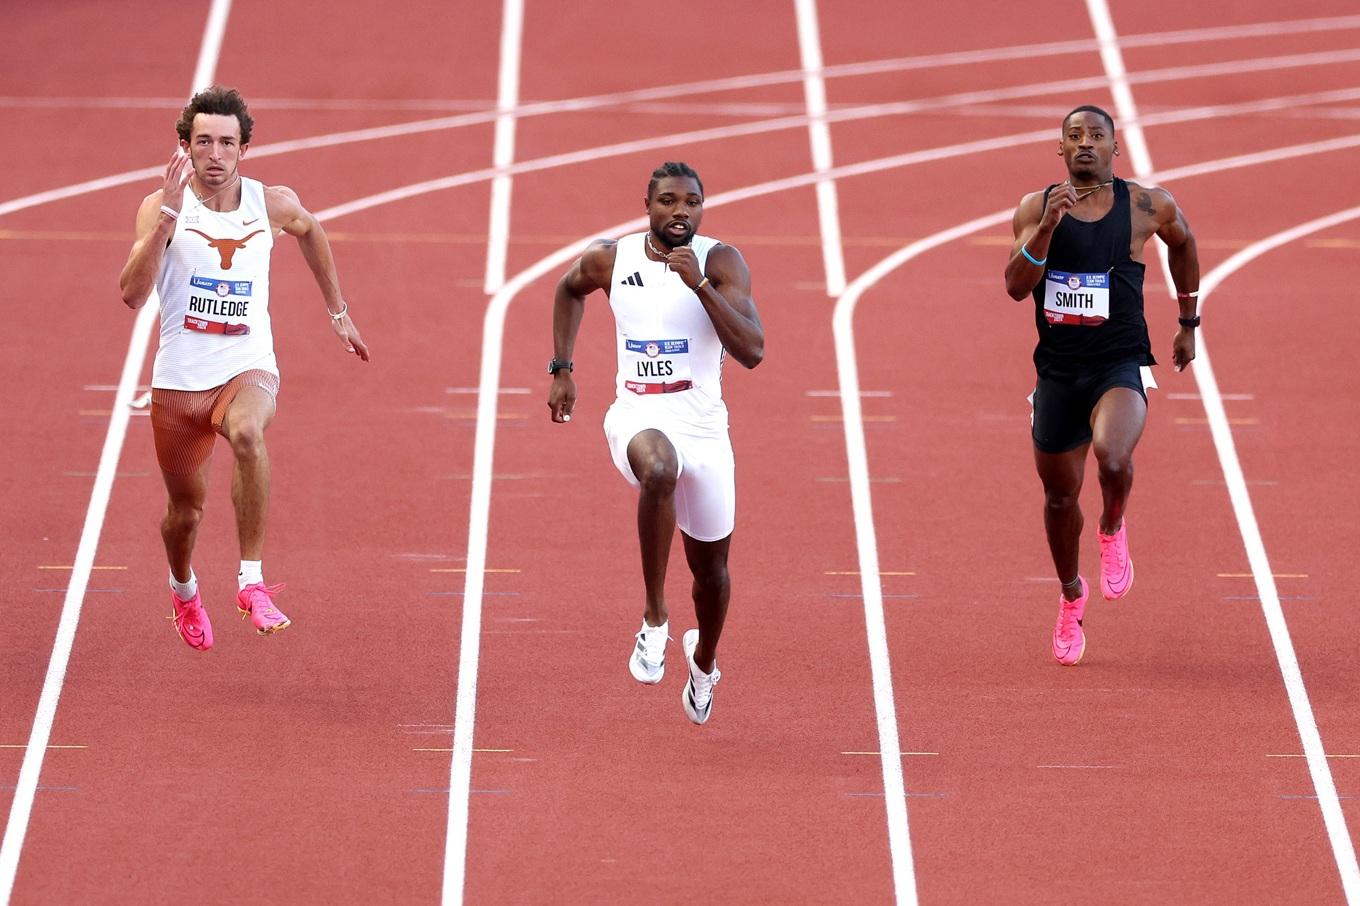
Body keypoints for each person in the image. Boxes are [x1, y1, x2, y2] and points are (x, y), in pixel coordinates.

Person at [118, 86, 370, 652]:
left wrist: (339, 312)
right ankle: (183, 589)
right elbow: (132, 296)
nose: (214, 154)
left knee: (249, 434)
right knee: (185, 514)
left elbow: (311, 230)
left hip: (247, 367)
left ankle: (251, 583)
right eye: (202, 141)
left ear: (243, 149)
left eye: (226, 143)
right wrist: (162, 223)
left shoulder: (271, 203)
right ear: (185, 147)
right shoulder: (161, 209)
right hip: (180, 381)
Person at [547, 162, 764, 724]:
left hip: (704, 425)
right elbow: (569, 288)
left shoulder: (720, 262)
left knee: (712, 575)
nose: (680, 213)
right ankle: (654, 619)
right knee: (659, 468)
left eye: (691, 203)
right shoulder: (611, 259)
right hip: (637, 411)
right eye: (668, 201)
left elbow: (753, 351)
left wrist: (698, 284)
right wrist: (562, 368)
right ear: (647, 205)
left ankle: (704, 662)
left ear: (702, 209)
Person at [1004, 105, 1200, 666]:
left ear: (1116, 148)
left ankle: (1113, 528)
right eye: (1073, 136)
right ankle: (1071, 595)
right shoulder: (1035, 208)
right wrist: (1046, 229)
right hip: (1058, 372)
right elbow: (1017, 288)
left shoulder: (1145, 206)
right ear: (1059, 150)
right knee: (1061, 497)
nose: (1084, 144)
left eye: (1096, 136)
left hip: (1119, 362)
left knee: (1114, 459)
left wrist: (1188, 322)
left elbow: (1183, 243)